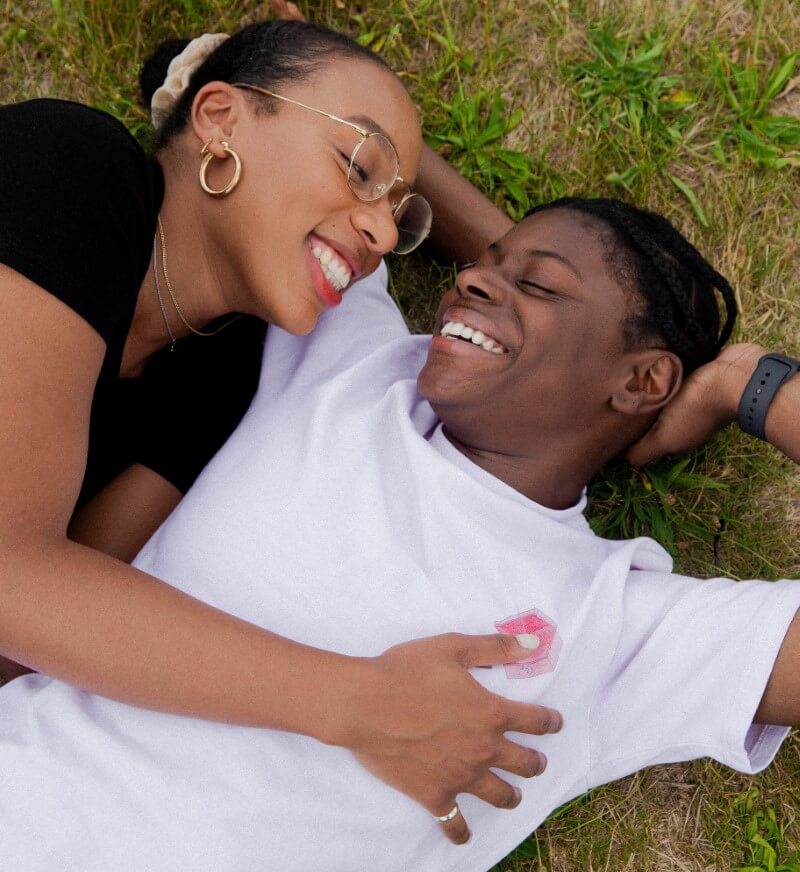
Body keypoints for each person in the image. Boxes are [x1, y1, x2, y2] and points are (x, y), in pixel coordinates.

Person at [0, 198, 797, 872]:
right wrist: (507, 261)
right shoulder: (351, 360)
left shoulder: (615, 621)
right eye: (483, 264)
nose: (470, 280)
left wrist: (749, 384)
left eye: (540, 283)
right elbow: (315, 139)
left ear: (643, 381)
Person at [0, 18, 555, 829]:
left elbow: (31, 642)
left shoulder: (222, 372)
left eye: (402, 212)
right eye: (360, 166)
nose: (383, 233)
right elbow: (16, 581)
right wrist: (360, 702)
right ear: (220, 119)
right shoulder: (71, 173)